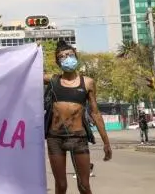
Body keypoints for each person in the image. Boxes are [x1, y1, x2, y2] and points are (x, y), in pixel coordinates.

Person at [44, 40, 112, 194]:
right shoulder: (53, 80)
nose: (66, 58)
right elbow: (29, 73)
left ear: (75, 56)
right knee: (61, 186)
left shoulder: (87, 83)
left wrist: (106, 143)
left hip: (78, 138)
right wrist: (34, 52)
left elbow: (95, 113)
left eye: (69, 55)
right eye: (62, 57)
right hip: (55, 139)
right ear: (58, 62)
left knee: (84, 186)